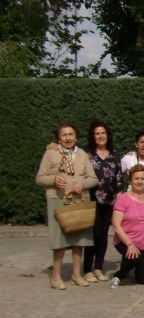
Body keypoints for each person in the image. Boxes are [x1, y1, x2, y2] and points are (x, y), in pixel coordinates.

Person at [36, 122, 99, 289]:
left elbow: (93, 179)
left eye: (71, 134)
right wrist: (53, 179)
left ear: (76, 136)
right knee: (60, 240)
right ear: (59, 137)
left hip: (79, 199)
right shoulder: (50, 153)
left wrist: (83, 184)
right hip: (57, 199)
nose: (68, 138)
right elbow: (39, 178)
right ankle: (56, 276)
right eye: (64, 135)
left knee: (79, 239)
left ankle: (76, 274)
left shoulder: (83, 155)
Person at [110, 164, 144, 288]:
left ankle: (134, 265)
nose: (139, 181)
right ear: (130, 181)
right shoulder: (123, 199)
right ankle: (119, 274)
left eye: (142, 179)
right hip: (126, 241)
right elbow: (116, 225)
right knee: (134, 257)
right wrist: (130, 244)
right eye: (136, 178)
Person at [83, 120, 122, 282]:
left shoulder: (113, 154)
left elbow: (119, 177)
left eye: (103, 133)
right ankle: (87, 269)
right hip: (91, 200)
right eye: (97, 133)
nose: (100, 136)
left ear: (107, 135)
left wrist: (119, 195)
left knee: (103, 234)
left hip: (109, 200)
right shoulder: (86, 153)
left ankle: (98, 267)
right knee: (92, 234)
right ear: (93, 136)